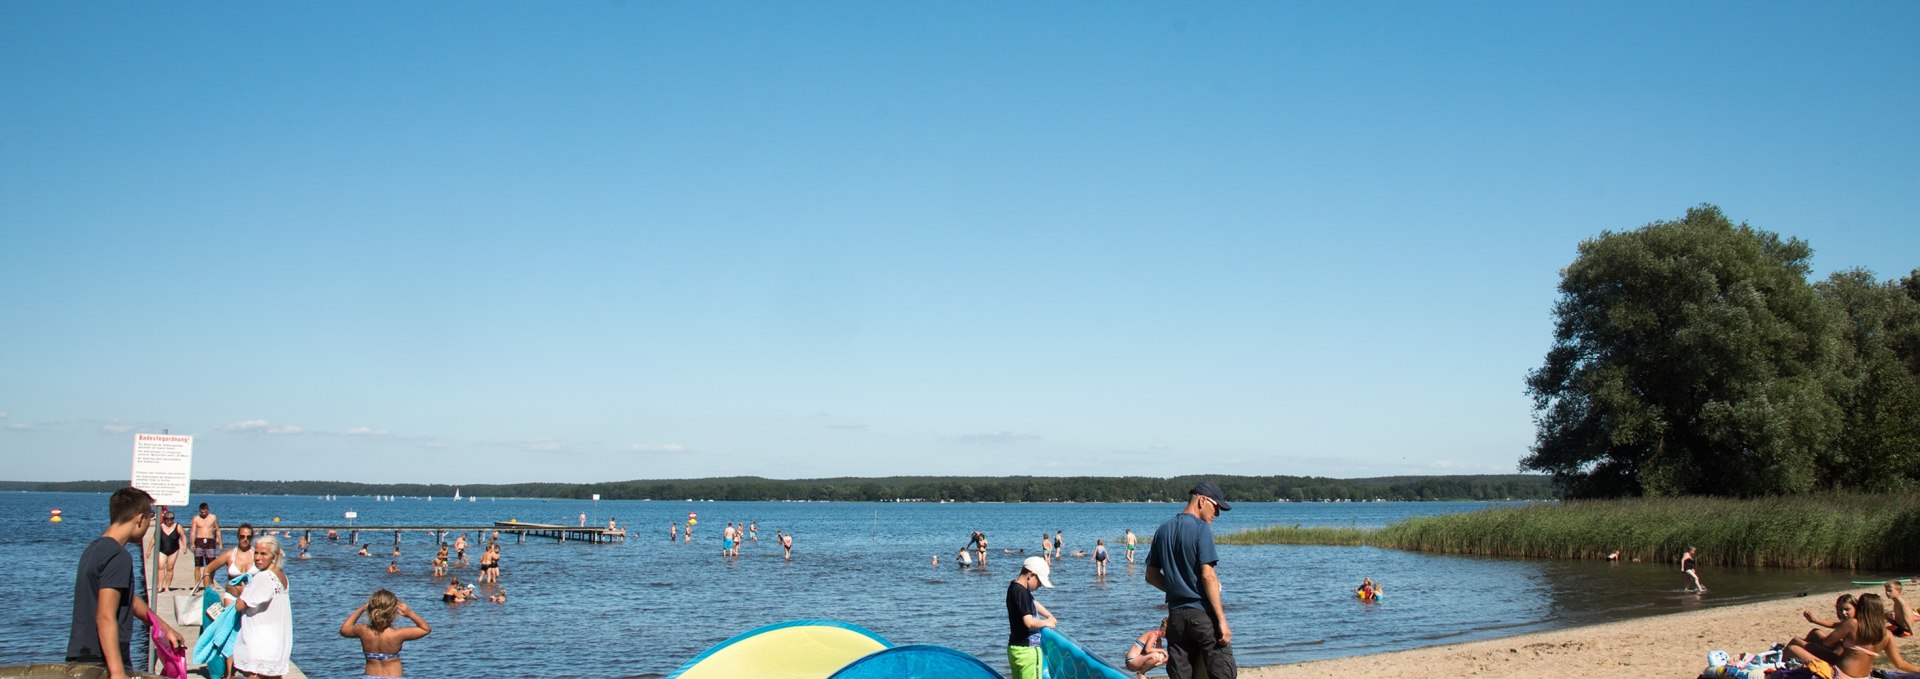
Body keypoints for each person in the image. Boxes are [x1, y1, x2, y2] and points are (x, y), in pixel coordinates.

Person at [68, 487, 183, 679]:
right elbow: (105, 616)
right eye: (149, 519)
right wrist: (117, 672)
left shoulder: (94, 549)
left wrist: (163, 627)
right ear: (139, 519)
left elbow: (127, 598)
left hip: (82, 654)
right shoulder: (118, 556)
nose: (149, 527)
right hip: (102, 661)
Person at [1145, 480, 1236, 679]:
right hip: (1201, 614)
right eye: (1216, 507)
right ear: (1202, 500)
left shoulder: (1162, 530)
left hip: (1176, 617)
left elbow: (1151, 576)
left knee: (1181, 674)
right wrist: (1222, 620)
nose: (1217, 514)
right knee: (1223, 670)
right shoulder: (1201, 528)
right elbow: (1208, 575)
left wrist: (1177, 588)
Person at [1787, 593, 1920, 678]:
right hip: (1865, 677)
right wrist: (1918, 669)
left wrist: (1810, 645)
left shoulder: (1853, 623)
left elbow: (1827, 643)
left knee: (1794, 648)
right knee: (1811, 638)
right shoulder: (1887, 634)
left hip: (1841, 675)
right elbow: (1900, 664)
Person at [230, 534, 293, 679]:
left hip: (260, 640)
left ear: (274, 556)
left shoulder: (263, 577)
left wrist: (241, 591)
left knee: (254, 673)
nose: (257, 557)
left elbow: (240, 605)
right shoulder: (280, 574)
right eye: (256, 553)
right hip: (277, 639)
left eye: (263, 554)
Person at [202, 523, 260, 679]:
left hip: (250, 599)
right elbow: (208, 569)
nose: (245, 539)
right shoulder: (230, 555)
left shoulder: (257, 555)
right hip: (231, 597)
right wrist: (209, 591)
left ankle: (245, 667)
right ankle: (229, 673)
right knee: (230, 633)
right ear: (238, 536)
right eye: (242, 536)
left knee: (248, 633)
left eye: (248, 537)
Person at [339, 589, 430, 679]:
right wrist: (409, 613)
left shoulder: (363, 630)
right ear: (394, 612)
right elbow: (425, 629)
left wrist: (361, 608)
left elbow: (344, 629)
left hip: (370, 676)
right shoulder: (397, 634)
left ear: (370, 610)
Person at [1006, 556, 1058, 679]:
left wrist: (1049, 615)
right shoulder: (1022, 592)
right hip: (1027, 651)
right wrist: (1046, 622)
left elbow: (1033, 603)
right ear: (1031, 575)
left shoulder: (1014, 587)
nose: (1039, 586)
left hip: (1014, 648)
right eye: (1039, 581)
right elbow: (1029, 622)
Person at [191, 502, 222, 584]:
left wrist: (220, 543)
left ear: (208, 510)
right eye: (202, 512)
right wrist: (192, 543)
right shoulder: (196, 518)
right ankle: (196, 584)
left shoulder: (213, 517)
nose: (203, 514)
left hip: (210, 541)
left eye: (205, 512)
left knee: (211, 564)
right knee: (197, 565)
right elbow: (193, 532)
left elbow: (218, 530)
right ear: (199, 511)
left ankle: (211, 582)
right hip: (199, 541)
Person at [154, 508, 183, 593]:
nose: (170, 521)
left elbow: (183, 537)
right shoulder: (160, 526)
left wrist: (184, 546)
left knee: (170, 568)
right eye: (168, 520)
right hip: (162, 549)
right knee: (160, 567)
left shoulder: (177, 526)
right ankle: (160, 586)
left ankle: (167, 587)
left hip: (173, 550)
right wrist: (149, 550)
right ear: (165, 519)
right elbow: (154, 538)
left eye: (171, 519)